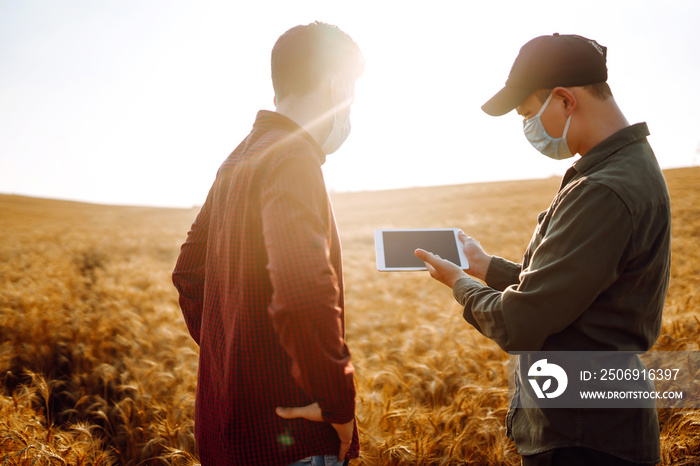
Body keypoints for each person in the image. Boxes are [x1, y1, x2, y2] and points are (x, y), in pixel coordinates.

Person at [415, 34, 670, 465]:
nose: (527, 128)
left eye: (528, 114)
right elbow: (573, 294)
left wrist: (458, 282)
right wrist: (486, 267)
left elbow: (522, 322)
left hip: (586, 439)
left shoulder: (604, 190)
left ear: (565, 100)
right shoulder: (623, 168)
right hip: (596, 425)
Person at [172, 22, 364, 465]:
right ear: (336, 85)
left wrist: (237, 361)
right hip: (294, 440)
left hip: (227, 433)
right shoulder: (293, 156)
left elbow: (187, 272)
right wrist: (337, 406)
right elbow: (302, 288)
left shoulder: (239, 158)